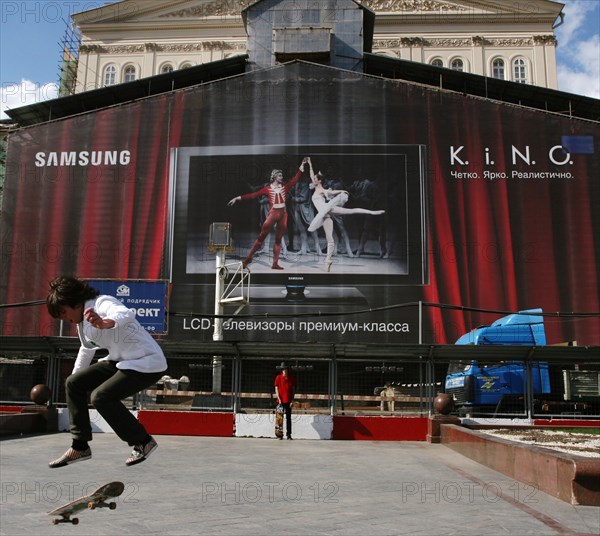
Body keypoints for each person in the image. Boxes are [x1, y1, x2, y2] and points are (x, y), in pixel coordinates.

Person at [46, 276, 168, 467]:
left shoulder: (101, 303)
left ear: (75, 302)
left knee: (100, 397)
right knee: (73, 383)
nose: (65, 318)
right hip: (119, 360)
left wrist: (106, 322)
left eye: (63, 312)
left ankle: (143, 442)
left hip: (145, 361)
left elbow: (125, 313)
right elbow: (87, 348)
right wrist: (76, 376)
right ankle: (80, 446)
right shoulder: (82, 323)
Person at [228, 157, 308, 269]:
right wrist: (238, 198)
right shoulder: (267, 189)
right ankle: (248, 259)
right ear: (274, 177)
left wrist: (302, 166)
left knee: (278, 240)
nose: (282, 177)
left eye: (282, 175)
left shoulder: (285, 187)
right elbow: (253, 195)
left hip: (283, 215)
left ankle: (275, 264)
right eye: (280, 176)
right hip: (273, 213)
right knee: (261, 237)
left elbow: (295, 179)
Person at [306, 158, 385, 271]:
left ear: (318, 181)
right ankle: (328, 261)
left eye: (314, 179)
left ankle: (372, 212)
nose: (312, 180)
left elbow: (332, 192)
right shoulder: (317, 188)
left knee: (351, 211)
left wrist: (341, 191)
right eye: (313, 178)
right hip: (325, 215)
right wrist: (309, 163)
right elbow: (311, 173)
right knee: (330, 239)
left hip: (327, 209)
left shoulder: (322, 190)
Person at [274, 366, 296, 440]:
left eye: (286, 371)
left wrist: (292, 400)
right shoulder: (278, 378)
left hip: (288, 401)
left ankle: (289, 434)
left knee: (288, 418)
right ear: (282, 371)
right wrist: (279, 399)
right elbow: (276, 389)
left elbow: (293, 391)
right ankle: (280, 434)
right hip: (280, 401)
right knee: (279, 418)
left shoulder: (291, 379)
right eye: (284, 370)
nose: (285, 372)